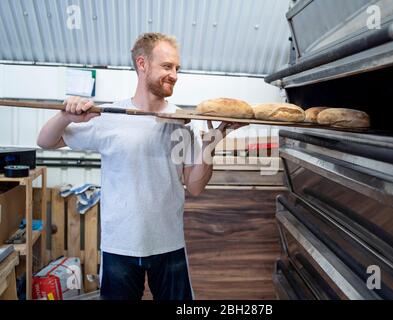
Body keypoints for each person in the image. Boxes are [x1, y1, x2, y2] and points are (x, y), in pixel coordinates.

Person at [37, 32, 242, 300]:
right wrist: (65, 115)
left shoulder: (181, 121)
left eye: (177, 68)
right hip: (120, 245)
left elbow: (194, 186)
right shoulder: (109, 117)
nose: (175, 75)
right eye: (167, 66)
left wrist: (211, 145)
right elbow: (46, 142)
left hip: (169, 243)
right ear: (142, 64)